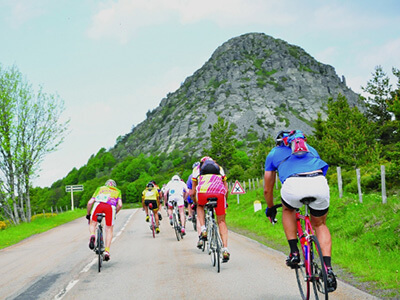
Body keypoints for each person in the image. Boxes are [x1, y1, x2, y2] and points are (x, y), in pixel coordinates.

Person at [263, 130, 337, 292]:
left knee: (288, 209)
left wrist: (270, 208)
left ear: (279, 142)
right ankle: (329, 270)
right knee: (320, 225)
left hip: (293, 186)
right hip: (319, 184)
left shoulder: (274, 153)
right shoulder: (310, 149)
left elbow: (268, 189)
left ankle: (294, 252)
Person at [192, 156, 230, 262]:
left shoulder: (197, 169)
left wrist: (195, 201)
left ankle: (203, 229)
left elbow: (192, 192)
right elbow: (226, 189)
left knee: (199, 206)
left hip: (203, 193)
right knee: (221, 221)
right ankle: (225, 249)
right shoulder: (220, 168)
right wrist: (225, 202)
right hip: (219, 193)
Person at [86, 179, 123, 261]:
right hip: (110, 207)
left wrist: (88, 214)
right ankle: (107, 251)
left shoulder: (100, 188)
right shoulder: (117, 191)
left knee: (93, 223)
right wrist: (114, 213)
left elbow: (90, 202)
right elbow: (120, 205)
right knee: (109, 229)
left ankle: (92, 235)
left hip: (98, 204)